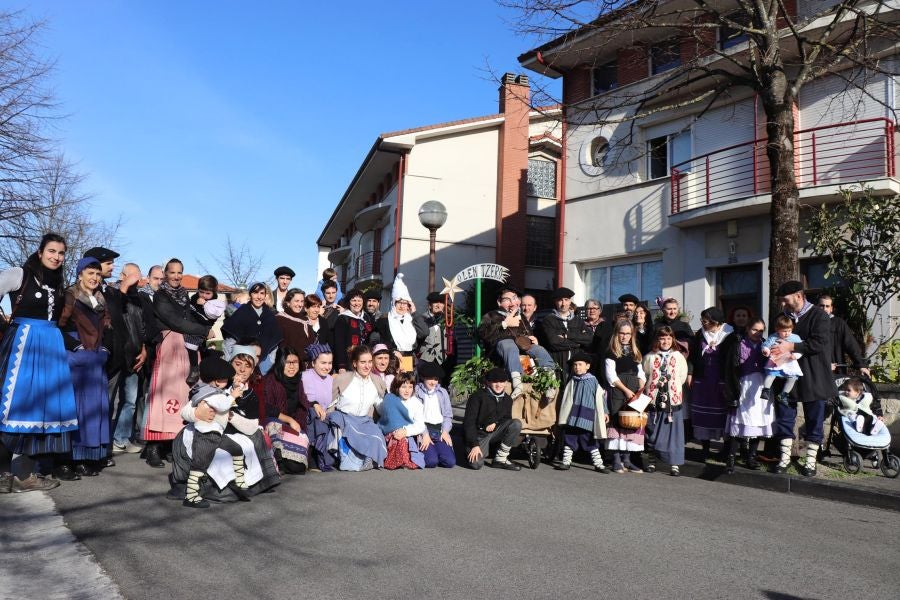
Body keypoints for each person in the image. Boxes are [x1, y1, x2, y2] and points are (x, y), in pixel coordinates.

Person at [0, 233, 77, 492]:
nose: (56, 257)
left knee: (41, 409)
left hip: (50, 347)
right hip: (22, 345)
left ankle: (26, 475)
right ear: (40, 251)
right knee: (12, 406)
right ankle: (2, 472)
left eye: (61, 253)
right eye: (52, 251)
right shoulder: (19, 274)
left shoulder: (58, 284)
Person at [141, 258, 211, 468]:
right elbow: (175, 322)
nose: (177, 276)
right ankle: (153, 447)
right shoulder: (161, 296)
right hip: (170, 347)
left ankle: (172, 444)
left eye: (180, 272)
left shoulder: (184, 295)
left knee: (182, 396)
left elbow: (190, 319)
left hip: (187, 347)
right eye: (172, 272)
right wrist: (203, 330)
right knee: (163, 396)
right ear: (166, 274)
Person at [769, 281, 838, 476]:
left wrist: (791, 346)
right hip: (786, 376)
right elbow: (773, 339)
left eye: (785, 300)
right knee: (784, 416)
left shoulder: (819, 316)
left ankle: (810, 461)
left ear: (799, 296)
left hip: (814, 375)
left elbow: (819, 343)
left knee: (814, 419)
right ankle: (784, 459)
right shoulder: (782, 317)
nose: (782, 304)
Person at [56, 257, 114, 478]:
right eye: (90, 273)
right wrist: (76, 346)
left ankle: (84, 459)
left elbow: (108, 328)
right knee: (74, 409)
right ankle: (65, 460)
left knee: (93, 410)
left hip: (95, 359)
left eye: (98, 274)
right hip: (75, 359)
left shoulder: (100, 299)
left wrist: (105, 348)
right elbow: (58, 326)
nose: (95, 278)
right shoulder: (69, 296)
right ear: (80, 274)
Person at [182, 357, 250, 508]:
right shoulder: (209, 394)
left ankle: (239, 481)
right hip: (205, 436)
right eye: (225, 379)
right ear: (218, 381)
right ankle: (191, 496)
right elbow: (223, 404)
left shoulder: (212, 391)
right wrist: (233, 395)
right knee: (200, 464)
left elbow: (225, 397)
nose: (227, 381)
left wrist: (235, 389)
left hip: (217, 434)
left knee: (236, 449)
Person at [477, 287, 557, 400]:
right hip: (500, 357)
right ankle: (517, 384)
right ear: (499, 302)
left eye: (514, 298)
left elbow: (528, 333)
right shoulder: (491, 315)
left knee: (539, 349)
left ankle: (550, 383)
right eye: (507, 299)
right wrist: (504, 324)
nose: (512, 303)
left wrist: (532, 339)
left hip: (523, 357)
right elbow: (483, 333)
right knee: (509, 344)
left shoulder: (521, 317)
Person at [722, 318, 771, 473]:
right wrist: (731, 390)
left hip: (761, 385)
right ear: (748, 329)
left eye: (761, 330)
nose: (757, 333)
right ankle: (731, 458)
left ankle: (751, 457)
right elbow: (730, 368)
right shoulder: (739, 344)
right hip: (743, 386)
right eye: (754, 329)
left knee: (757, 422)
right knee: (739, 422)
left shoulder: (766, 345)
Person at [689, 307, 737, 461]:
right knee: (702, 415)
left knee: (724, 415)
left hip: (721, 380)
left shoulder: (730, 334)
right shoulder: (700, 334)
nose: (703, 323)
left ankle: (726, 450)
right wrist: (690, 373)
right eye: (702, 320)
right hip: (703, 380)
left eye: (705, 321)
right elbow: (693, 356)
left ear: (716, 321)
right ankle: (705, 449)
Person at [329, 345, 388, 470]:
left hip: (365, 421)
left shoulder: (376, 381)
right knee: (338, 422)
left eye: (370, 362)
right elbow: (331, 402)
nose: (367, 366)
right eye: (363, 362)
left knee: (377, 437)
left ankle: (368, 459)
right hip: (345, 419)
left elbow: (379, 405)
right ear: (355, 363)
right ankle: (354, 459)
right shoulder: (342, 379)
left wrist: (391, 409)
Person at [112, 262, 150, 455]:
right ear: (122, 275)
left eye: (138, 275)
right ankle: (103, 440)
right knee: (109, 400)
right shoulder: (112, 293)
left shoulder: (139, 298)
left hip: (134, 355)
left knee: (130, 400)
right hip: (116, 354)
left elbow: (142, 326)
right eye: (132, 275)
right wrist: (124, 287)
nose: (136, 279)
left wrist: (144, 350)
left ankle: (121, 438)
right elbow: (113, 315)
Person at [642, 327, 689, 476]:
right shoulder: (650, 356)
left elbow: (682, 377)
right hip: (653, 400)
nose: (665, 341)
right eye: (662, 338)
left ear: (672, 339)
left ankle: (674, 465)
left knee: (674, 434)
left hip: (672, 400)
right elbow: (645, 375)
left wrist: (672, 388)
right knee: (652, 431)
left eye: (669, 338)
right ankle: (652, 461)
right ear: (657, 339)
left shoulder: (678, 356)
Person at [260, 347, 314, 474]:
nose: (292, 366)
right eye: (288, 362)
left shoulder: (298, 381)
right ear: (280, 363)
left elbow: (303, 403)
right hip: (273, 424)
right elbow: (266, 408)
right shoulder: (270, 380)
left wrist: (315, 404)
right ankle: (277, 459)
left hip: (292, 425)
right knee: (274, 425)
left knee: (299, 467)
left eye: (295, 362)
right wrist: (289, 420)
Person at [604, 319, 647, 473]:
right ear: (617, 334)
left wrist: (640, 388)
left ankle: (627, 460)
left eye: (628, 334)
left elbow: (641, 373)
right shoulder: (611, 352)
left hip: (634, 390)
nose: (625, 336)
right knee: (617, 422)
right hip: (618, 390)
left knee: (631, 423)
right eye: (622, 333)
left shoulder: (636, 352)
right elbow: (611, 376)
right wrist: (626, 390)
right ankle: (616, 460)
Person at [555, 352, 609, 472]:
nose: (577, 367)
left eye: (580, 364)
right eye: (575, 365)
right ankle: (566, 462)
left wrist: (605, 411)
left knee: (590, 441)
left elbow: (600, 397)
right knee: (570, 438)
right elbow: (567, 399)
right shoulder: (572, 381)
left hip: (587, 416)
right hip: (573, 416)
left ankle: (599, 464)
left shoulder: (593, 381)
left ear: (587, 366)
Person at [462, 367, 523, 471]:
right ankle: (468, 449)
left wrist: (495, 423)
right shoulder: (477, 397)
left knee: (516, 424)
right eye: (495, 381)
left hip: (495, 432)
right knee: (476, 464)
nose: (498, 385)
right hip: (479, 435)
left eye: (501, 381)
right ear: (488, 382)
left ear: (506, 383)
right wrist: (474, 444)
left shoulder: (507, 399)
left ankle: (500, 459)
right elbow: (469, 423)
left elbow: (506, 419)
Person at [221, 281, 282, 376]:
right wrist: (230, 364)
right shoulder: (240, 313)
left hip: (264, 366)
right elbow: (230, 342)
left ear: (265, 295)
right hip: (241, 364)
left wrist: (269, 363)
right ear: (250, 294)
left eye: (262, 293)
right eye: (255, 293)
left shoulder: (270, 315)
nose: (259, 297)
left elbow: (273, 343)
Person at [537, 287, 592, 383]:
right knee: (560, 388)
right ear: (555, 302)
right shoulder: (549, 320)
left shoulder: (577, 320)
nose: (563, 303)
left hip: (576, 364)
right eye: (560, 300)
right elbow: (553, 342)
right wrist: (578, 343)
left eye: (566, 300)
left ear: (570, 301)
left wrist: (567, 336)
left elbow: (588, 339)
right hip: (558, 361)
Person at [377, 372, 426, 470]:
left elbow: (420, 425)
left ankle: (401, 460)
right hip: (390, 433)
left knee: (403, 441)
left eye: (410, 387)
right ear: (397, 387)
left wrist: (405, 431)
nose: (407, 391)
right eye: (403, 387)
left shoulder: (416, 403)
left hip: (408, 434)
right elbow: (386, 419)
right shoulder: (390, 399)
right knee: (396, 439)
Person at [184, 274, 226, 385]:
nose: (204, 295)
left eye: (207, 293)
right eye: (201, 292)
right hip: (191, 325)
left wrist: (204, 304)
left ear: (214, 292)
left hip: (202, 327)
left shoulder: (215, 304)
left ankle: (194, 368)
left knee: (192, 346)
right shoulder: (194, 298)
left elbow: (209, 316)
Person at [414, 362, 455, 468]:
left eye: (436, 379)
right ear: (423, 377)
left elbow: (447, 415)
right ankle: (430, 453)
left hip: (439, 431)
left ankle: (436, 450)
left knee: (450, 462)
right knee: (431, 461)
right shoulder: (416, 392)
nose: (433, 382)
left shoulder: (442, 392)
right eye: (430, 379)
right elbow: (416, 417)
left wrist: (445, 431)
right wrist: (424, 434)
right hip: (424, 430)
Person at [300, 343, 335, 471]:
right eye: (323, 363)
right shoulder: (306, 376)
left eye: (330, 363)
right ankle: (315, 457)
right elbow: (306, 398)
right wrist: (315, 405)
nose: (327, 367)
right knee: (316, 418)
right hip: (309, 414)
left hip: (325, 414)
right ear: (313, 363)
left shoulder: (331, 379)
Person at [818, 295, 870, 376]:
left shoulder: (839, 324)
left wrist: (861, 365)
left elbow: (851, 345)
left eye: (827, 306)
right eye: (822, 306)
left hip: (836, 370)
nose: (824, 309)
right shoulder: (811, 323)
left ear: (831, 308)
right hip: (816, 370)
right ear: (817, 307)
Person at [373, 273, 418, 367]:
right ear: (393, 303)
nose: (402, 306)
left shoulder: (411, 319)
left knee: (405, 376)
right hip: (391, 358)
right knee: (392, 376)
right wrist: (392, 351)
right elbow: (376, 339)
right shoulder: (384, 319)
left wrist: (414, 313)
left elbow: (424, 332)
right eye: (399, 303)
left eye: (405, 303)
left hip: (408, 358)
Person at [414, 291, 456, 384]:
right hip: (425, 359)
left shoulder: (449, 320)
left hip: (443, 360)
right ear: (430, 305)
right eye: (435, 302)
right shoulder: (422, 319)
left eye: (441, 302)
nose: (438, 305)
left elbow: (453, 342)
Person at [760, 314, 803, 406]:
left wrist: (796, 355)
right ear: (777, 329)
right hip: (776, 360)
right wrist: (766, 350)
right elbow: (766, 345)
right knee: (771, 374)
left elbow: (801, 349)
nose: (787, 333)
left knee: (793, 378)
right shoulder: (773, 337)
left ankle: (783, 395)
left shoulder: (795, 338)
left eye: (789, 330)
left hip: (789, 361)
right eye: (784, 331)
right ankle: (766, 390)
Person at [332, 288, 374, 373]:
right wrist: (341, 365)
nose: (357, 303)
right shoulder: (343, 318)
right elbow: (339, 344)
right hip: (349, 361)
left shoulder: (366, 317)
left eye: (359, 300)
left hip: (365, 361)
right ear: (349, 302)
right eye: (354, 300)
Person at [275, 288, 315, 357]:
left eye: (302, 301)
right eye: (297, 301)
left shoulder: (305, 321)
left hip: (306, 361)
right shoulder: (280, 319)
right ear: (288, 302)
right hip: (287, 360)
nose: (300, 304)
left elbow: (312, 343)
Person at [582, 298, 614, 383]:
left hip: (602, 362)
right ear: (585, 311)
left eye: (595, 308)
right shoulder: (580, 325)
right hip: (585, 362)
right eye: (589, 308)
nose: (592, 311)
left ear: (600, 311)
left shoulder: (608, 326)